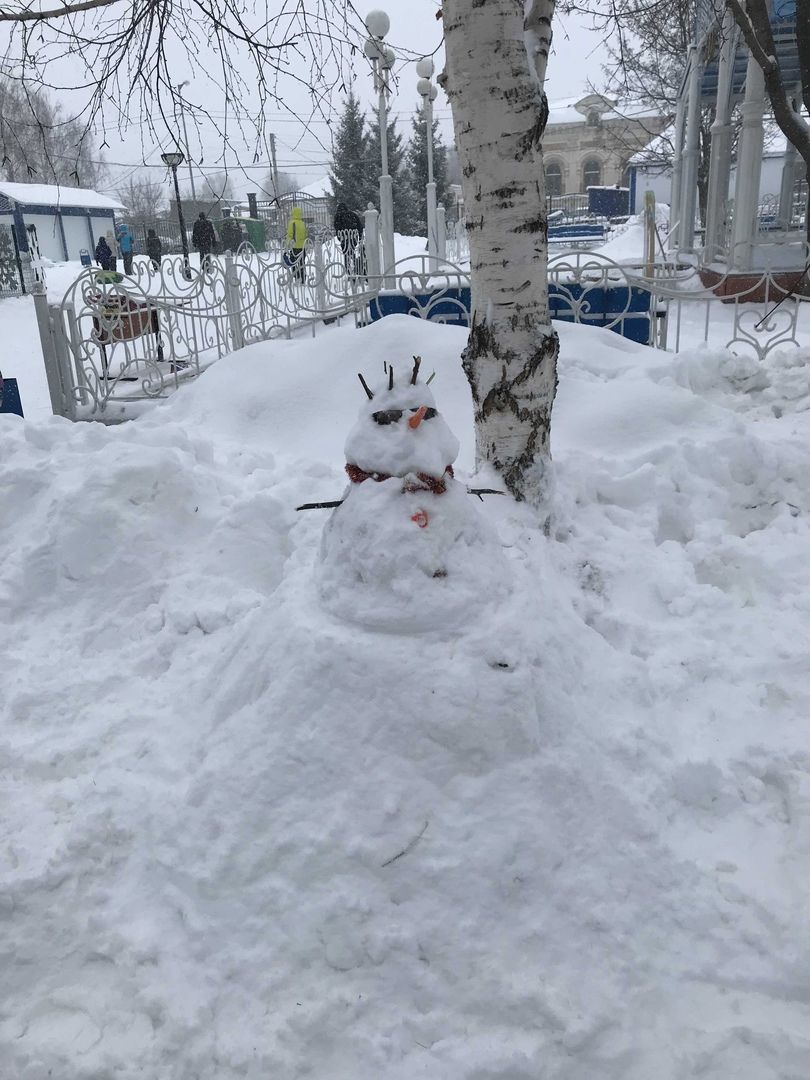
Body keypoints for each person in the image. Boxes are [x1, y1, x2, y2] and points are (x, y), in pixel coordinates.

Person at [333, 201, 363, 276]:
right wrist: (359, 238)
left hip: (344, 238)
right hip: (353, 237)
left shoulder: (338, 216)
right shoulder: (353, 215)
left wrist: (340, 237)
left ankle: (349, 270)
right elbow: (359, 226)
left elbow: (337, 228)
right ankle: (356, 268)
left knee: (346, 254)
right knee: (352, 252)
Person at [285, 206, 308, 284]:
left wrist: (287, 243)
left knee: (293, 263)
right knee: (302, 263)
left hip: (294, 247)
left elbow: (290, 235)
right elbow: (306, 234)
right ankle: (303, 278)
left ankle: (297, 277)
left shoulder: (292, 223)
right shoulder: (303, 223)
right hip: (302, 247)